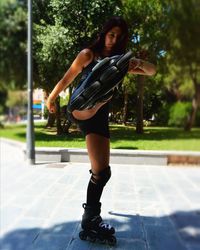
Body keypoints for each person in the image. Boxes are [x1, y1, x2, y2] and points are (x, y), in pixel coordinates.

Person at [46, 16, 156, 244]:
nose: (113, 39)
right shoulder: (88, 54)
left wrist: (134, 62)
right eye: (111, 34)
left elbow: (152, 71)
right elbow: (67, 77)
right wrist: (52, 97)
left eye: (118, 36)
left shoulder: (121, 62)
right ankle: (88, 97)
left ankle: (90, 220)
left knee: (102, 172)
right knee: (89, 102)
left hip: (100, 119)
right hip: (81, 111)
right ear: (104, 33)